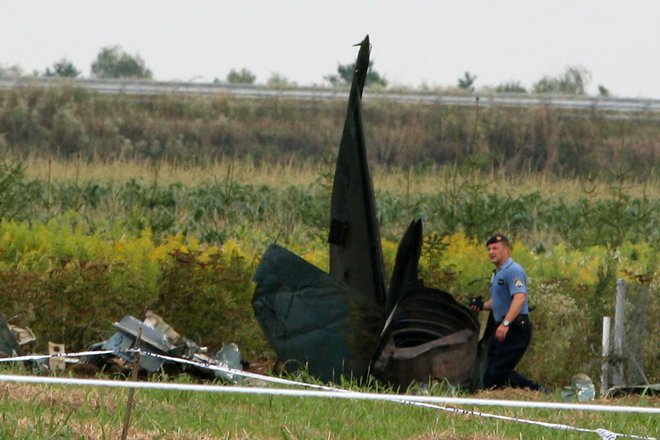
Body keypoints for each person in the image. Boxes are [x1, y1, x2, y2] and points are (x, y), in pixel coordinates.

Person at [470, 233, 545, 392]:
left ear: (506, 250)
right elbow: (498, 302)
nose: (491, 252)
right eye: (489, 249)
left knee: (499, 371)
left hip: (515, 327)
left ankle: (536, 391)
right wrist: (482, 305)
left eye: (495, 248)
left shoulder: (514, 270)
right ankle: (498, 400)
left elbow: (519, 298)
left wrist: (505, 323)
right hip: (502, 327)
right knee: (489, 375)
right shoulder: (497, 273)